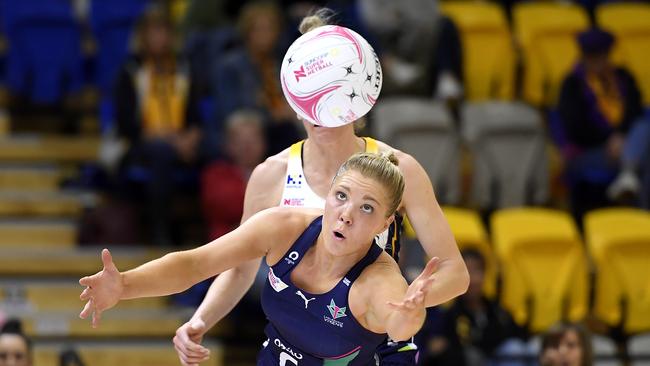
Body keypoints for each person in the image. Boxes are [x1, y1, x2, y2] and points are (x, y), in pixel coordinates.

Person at [172, 9, 469, 366]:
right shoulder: (272, 174)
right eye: (310, 97)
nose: (320, 112)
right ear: (293, 100)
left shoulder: (398, 168)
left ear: (357, 99)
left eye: (332, 97)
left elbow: (455, 271)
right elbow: (241, 267)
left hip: (375, 349)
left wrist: (410, 301)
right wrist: (201, 319)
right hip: (293, 351)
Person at [80, 152, 440, 365]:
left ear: (384, 223)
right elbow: (196, 264)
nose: (347, 214)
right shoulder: (284, 228)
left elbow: (399, 325)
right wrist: (125, 285)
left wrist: (410, 314)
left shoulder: (378, 280)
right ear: (327, 196)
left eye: (366, 208)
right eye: (341, 196)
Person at [114, 6, 203, 246]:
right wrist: (172, 140)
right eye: (153, 32)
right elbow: (127, 125)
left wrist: (192, 137)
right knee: (161, 154)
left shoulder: (184, 68)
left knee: (215, 151)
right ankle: (160, 229)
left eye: (163, 32)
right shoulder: (130, 69)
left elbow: (195, 115)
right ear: (142, 36)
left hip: (181, 142)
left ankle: (209, 233)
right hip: (141, 145)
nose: (159, 38)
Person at [558, 28, 650, 220]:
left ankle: (630, 178)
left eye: (600, 56)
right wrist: (610, 139)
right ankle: (641, 212)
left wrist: (620, 136)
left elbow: (635, 110)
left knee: (644, 125)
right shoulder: (572, 84)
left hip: (625, 144)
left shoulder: (623, 77)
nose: (597, 63)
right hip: (590, 151)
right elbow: (576, 129)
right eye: (591, 57)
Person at [420, 249, 528, 366]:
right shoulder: (450, 315)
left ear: (484, 274)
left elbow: (517, 335)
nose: (472, 279)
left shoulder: (497, 310)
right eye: (467, 271)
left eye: (476, 271)